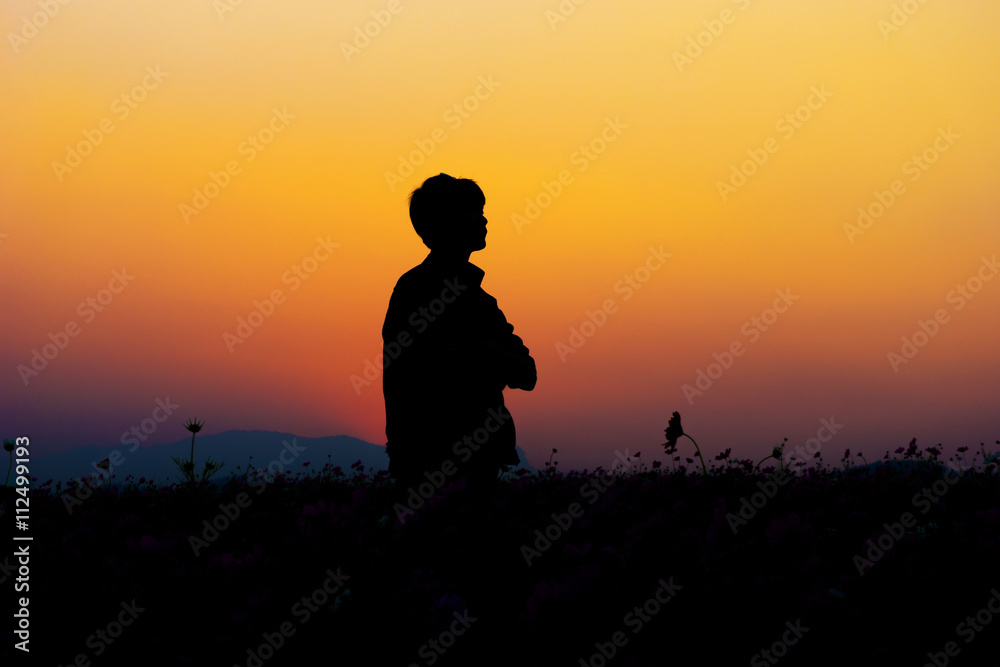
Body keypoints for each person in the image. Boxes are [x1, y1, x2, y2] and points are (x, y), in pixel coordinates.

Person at [382, 173, 536, 499]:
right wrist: (480, 355)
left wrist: (482, 352)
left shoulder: (481, 300)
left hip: (482, 459)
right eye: (475, 211)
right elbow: (407, 375)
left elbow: (527, 372)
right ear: (446, 221)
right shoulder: (414, 291)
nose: (484, 220)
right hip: (426, 459)